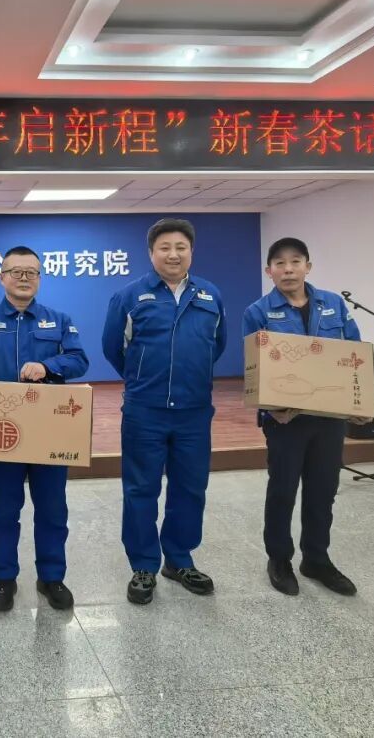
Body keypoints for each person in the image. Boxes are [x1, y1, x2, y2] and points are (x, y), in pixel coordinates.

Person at [0, 246, 88, 612]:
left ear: (40, 278)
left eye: (32, 272)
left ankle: (51, 577)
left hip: (47, 431)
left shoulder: (58, 321)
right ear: (2, 278)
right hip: (2, 432)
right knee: (2, 509)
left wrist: (48, 366)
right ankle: (4, 578)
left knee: (52, 507)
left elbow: (79, 360)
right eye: (16, 272)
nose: (24, 278)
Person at [102, 218, 226, 605]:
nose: (173, 254)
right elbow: (112, 348)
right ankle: (143, 565)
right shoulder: (129, 296)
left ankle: (179, 559)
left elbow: (217, 346)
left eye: (181, 247)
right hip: (145, 411)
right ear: (151, 253)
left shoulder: (210, 295)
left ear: (191, 251)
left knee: (190, 487)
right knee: (141, 488)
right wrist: (142, 379)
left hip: (194, 411)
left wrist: (191, 376)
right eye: (165, 248)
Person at [242, 237, 362, 597]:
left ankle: (317, 559)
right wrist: (270, 407)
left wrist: (357, 402)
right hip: (285, 420)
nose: (288, 269)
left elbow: (354, 353)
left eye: (295, 261)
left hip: (329, 416)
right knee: (283, 490)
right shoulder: (258, 312)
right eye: (279, 263)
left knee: (323, 490)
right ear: (269, 271)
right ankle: (279, 559)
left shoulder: (333, 305)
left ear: (308, 266)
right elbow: (254, 368)